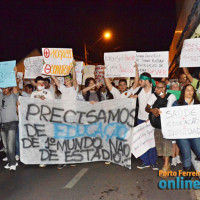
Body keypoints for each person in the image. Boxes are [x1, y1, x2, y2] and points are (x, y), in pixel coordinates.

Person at [145, 81, 176, 176]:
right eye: (156, 87)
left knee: (166, 143)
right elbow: (146, 108)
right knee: (160, 146)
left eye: (158, 87)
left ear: (164, 88)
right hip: (157, 125)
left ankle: (165, 166)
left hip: (167, 125)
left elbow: (171, 110)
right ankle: (167, 164)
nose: (156, 89)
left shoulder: (171, 97)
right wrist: (152, 110)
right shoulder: (154, 96)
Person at [172, 84, 200, 180]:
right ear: (183, 92)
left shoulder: (198, 104)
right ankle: (188, 172)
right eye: (187, 90)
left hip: (195, 133)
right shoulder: (176, 103)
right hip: (182, 134)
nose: (189, 92)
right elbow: (171, 117)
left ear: (194, 92)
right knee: (186, 153)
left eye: (191, 90)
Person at [131, 72, 158, 170]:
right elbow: (129, 97)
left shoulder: (154, 91)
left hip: (151, 120)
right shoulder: (138, 90)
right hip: (140, 119)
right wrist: (132, 98)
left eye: (141, 81)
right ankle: (145, 161)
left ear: (147, 81)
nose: (139, 82)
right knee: (142, 141)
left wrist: (151, 118)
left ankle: (153, 162)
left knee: (151, 141)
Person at [31, 76, 53, 167]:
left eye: (42, 83)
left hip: (46, 118)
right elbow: (29, 105)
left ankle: (45, 158)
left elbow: (53, 104)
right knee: (39, 138)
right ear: (35, 84)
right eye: (39, 83)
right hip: (36, 118)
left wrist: (46, 101)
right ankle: (43, 156)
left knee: (44, 138)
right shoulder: (33, 94)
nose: (41, 84)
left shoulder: (48, 93)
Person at [0, 67, 19, 170]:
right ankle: (12, 162)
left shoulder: (14, 96)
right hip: (2, 124)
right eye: (3, 88)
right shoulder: (0, 95)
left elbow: (15, 87)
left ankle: (12, 164)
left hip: (12, 123)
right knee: (6, 146)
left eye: (6, 88)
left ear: (10, 88)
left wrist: (14, 74)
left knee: (11, 144)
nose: (4, 90)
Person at [169, 82, 181, 166]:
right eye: (173, 87)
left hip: (179, 122)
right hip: (172, 121)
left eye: (176, 87)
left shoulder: (181, 98)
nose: (175, 88)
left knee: (178, 141)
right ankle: (173, 158)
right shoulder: (168, 97)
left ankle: (177, 156)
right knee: (173, 142)